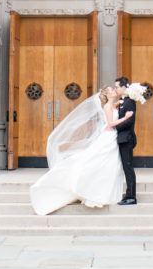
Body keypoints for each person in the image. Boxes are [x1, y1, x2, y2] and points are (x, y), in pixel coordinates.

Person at [29, 86, 132, 216]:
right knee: (104, 164)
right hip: (109, 137)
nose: (114, 91)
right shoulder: (107, 107)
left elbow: (113, 111)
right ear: (108, 95)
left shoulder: (112, 105)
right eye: (112, 91)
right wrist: (126, 117)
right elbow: (110, 124)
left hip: (111, 137)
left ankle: (105, 192)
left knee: (110, 166)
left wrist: (119, 104)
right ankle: (93, 190)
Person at [114, 76, 138, 205]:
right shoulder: (122, 101)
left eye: (117, 87)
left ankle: (131, 196)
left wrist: (115, 127)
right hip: (121, 139)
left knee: (128, 168)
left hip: (126, 139)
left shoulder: (130, 102)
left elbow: (130, 120)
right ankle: (128, 194)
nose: (115, 89)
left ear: (124, 87)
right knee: (125, 167)